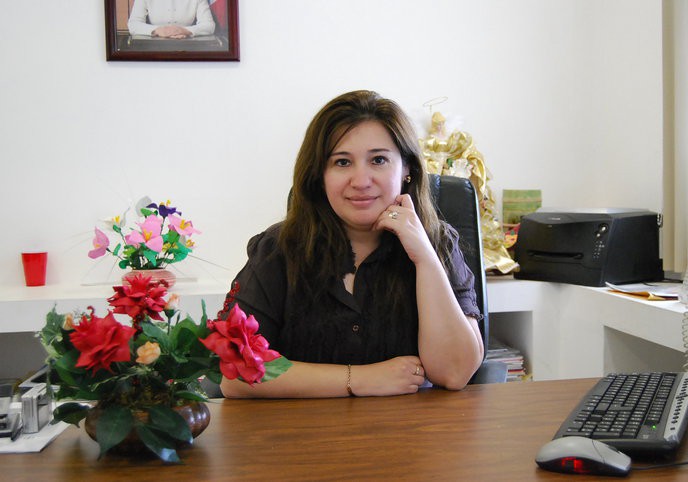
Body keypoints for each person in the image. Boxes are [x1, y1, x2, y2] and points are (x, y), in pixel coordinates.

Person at [219, 90, 484, 398]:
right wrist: (360, 379)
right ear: (320, 175)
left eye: (379, 160)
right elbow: (235, 371)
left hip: (411, 436)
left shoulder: (438, 243)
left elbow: (454, 373)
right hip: (300, 438)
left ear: (407, 169)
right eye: (342, 162)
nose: (361, 180)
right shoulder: (278, 249)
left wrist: (425, 258)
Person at [127, 0, 215, 39]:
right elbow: (133, 24)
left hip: (189, 50)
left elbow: (209, 25)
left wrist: (185, 31)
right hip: (153, 50)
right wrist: (157, 30)